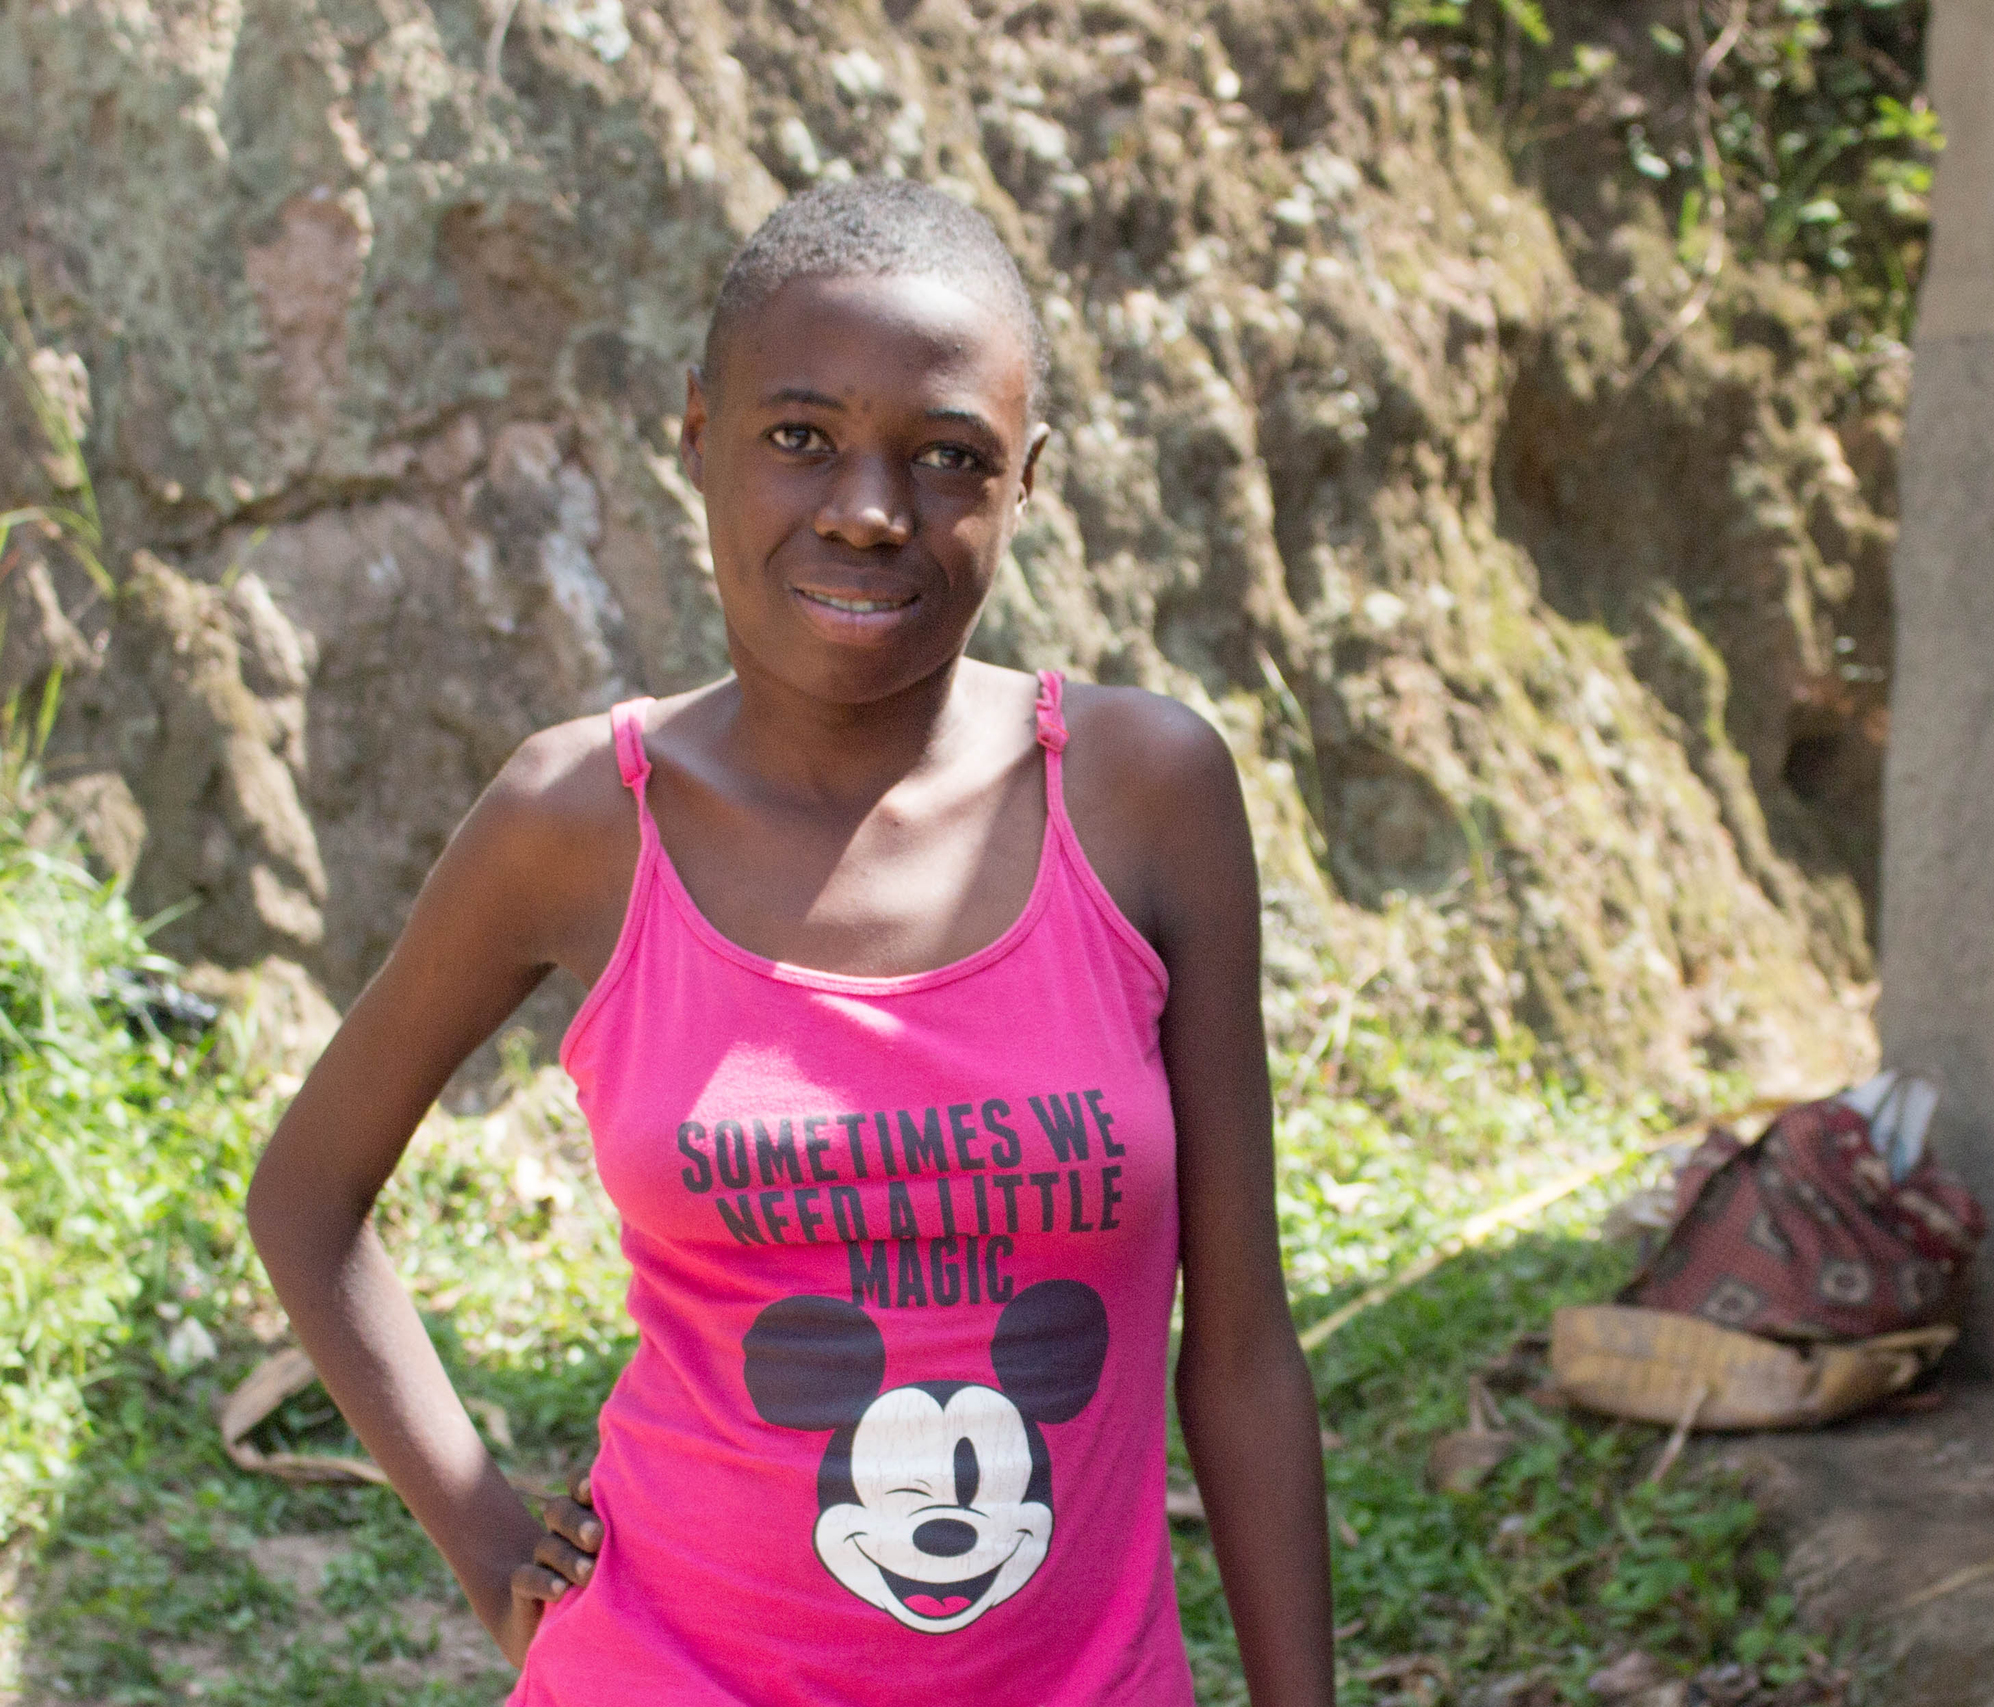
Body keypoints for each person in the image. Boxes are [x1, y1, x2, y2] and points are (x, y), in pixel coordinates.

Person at [246, 179, 1335, 1705]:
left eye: (948, 456)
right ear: (700, 435)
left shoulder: (1143, 798)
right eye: (801, 436)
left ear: (1027, 478)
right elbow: (306, 1199)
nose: (870, 509)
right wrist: (494, 1549)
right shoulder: (581, 820)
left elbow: (1241, 1354)